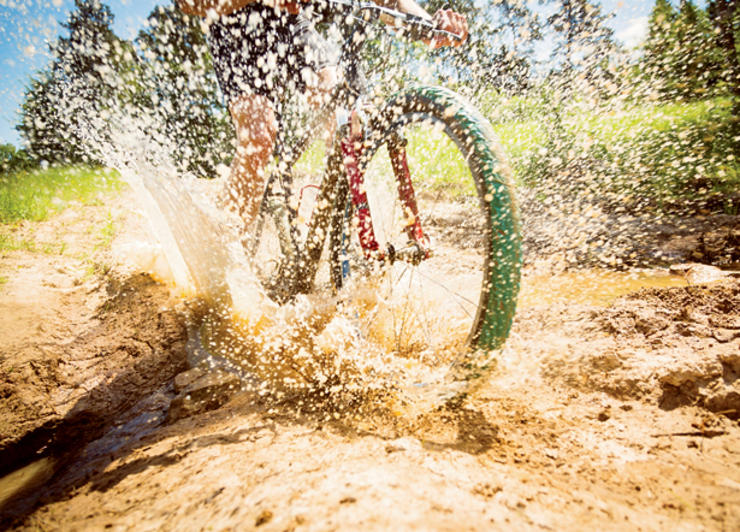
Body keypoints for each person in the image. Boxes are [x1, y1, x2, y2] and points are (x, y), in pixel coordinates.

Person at [175, 0, 468, 232]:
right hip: (234, 26)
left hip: (290, 24)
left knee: (345, 104)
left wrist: (431, 25)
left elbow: (389, 1)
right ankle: (222, 248)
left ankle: (338, 230)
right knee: (260, 136)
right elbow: (188, 3)